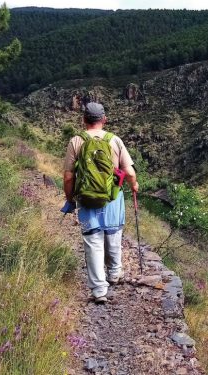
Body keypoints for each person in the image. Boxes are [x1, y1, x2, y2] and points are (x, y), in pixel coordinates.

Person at [62, 102, 138, 302]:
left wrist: (69, 199)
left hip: (86, 200)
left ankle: (99, 291)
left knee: (92, 241)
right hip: (112, 198)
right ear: (104, 119)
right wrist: (134, 185)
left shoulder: (76, 141)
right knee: (113, 235)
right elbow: (129, 172)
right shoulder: (114, 140)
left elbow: (68, 177)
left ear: (84, 120)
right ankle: (114, 274)